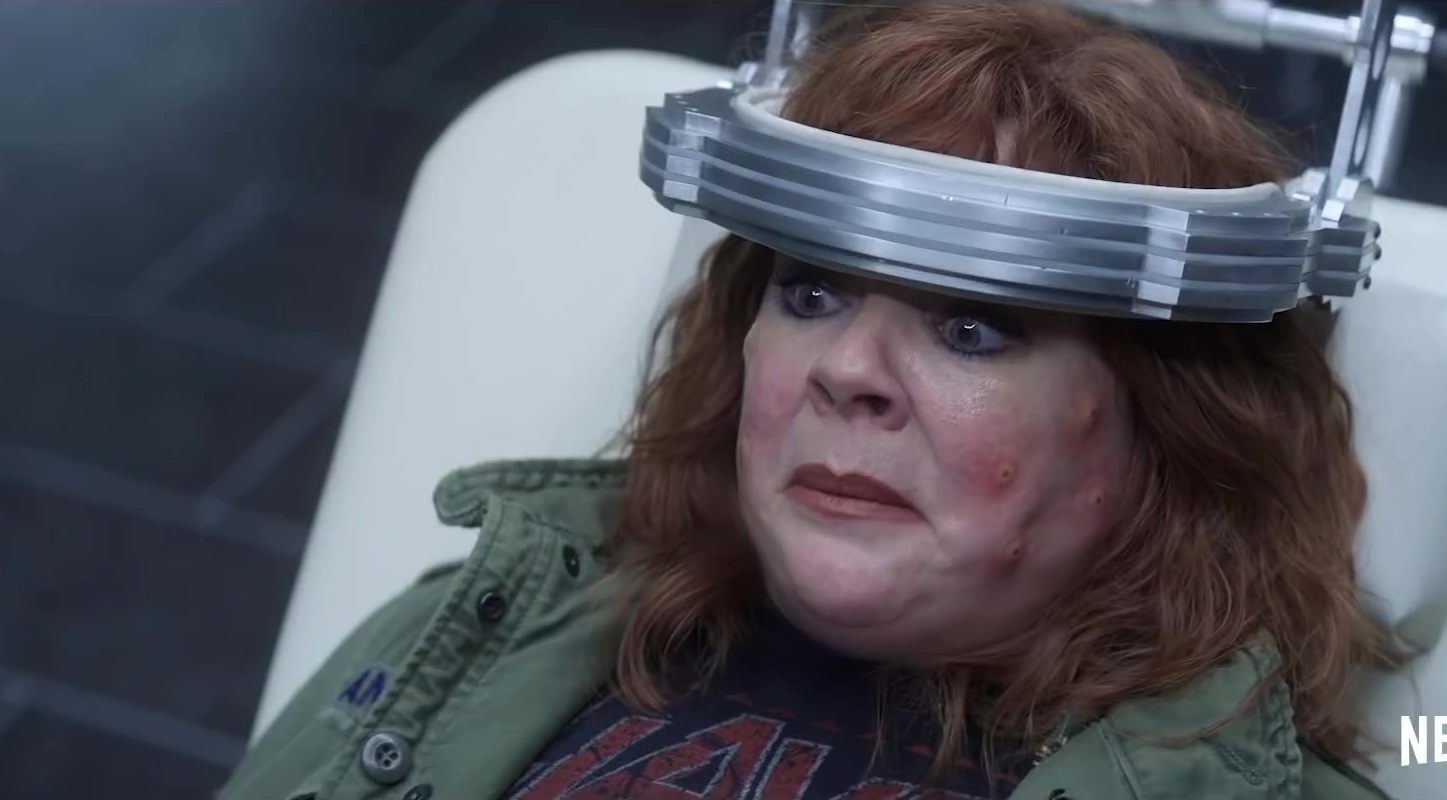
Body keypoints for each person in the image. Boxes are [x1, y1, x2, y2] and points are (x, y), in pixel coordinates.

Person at [219, 3, 1403, 799]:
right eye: (812, 292)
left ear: (1168, 430)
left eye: (970, 327)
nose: (847, 368)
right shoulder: (486, 622)